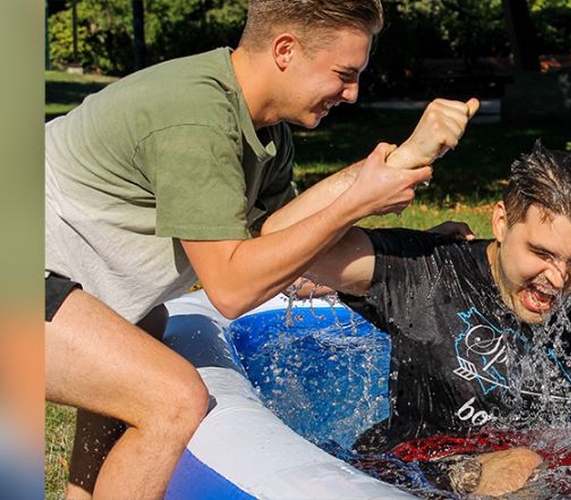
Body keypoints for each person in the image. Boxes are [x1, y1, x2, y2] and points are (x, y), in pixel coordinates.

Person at [44, 0, 480, 498]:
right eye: (343, 74)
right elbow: (230, 288)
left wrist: (405, 181)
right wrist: (358, 198)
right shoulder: (196, 120)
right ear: (286, 50)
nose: (353, 94)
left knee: (142, 330)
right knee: (171, 398)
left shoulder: (262, 128)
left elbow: (281, 246)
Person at [266, 140, 571, 497]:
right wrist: (398, 162)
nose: (557, 279)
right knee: (521, 467)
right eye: (540, 253)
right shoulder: (427, 272)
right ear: (501, 223)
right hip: (416, 472)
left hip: (547, 474)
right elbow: (277, 240)